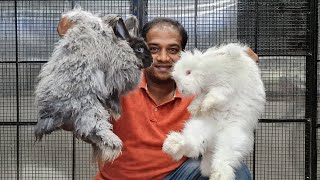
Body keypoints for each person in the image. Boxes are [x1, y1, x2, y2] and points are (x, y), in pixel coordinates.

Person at [57, 15, 258, 180]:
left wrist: (240, 65)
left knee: (234, 171)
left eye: (172, 50)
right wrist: (72, 44)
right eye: (153, 49)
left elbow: (236, 97)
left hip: (175, 176)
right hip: (116, 178)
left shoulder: (196, 91)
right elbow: (69, 117)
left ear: (183, 54)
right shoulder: (118, 84)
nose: (163, 58)